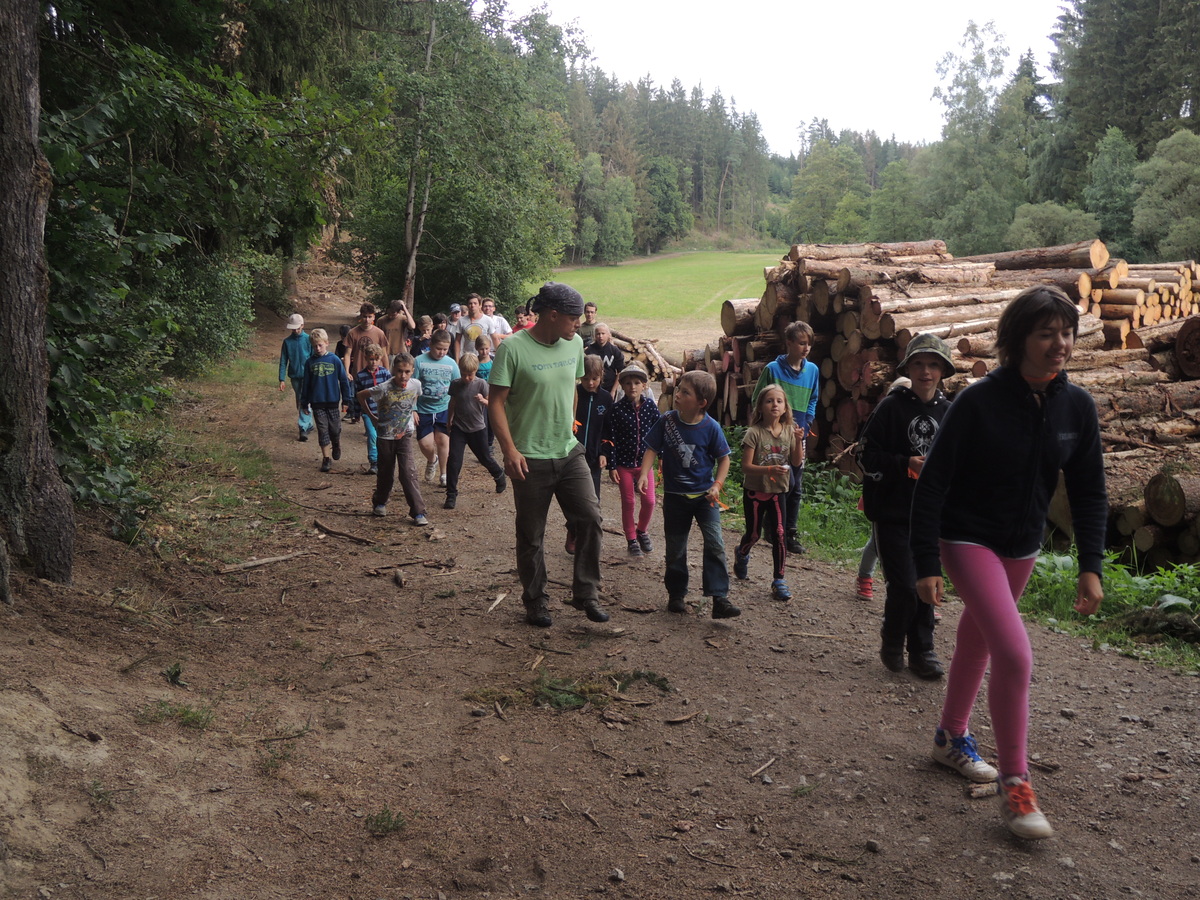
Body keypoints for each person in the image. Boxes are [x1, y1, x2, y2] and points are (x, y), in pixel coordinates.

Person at [912, 285, 1107, 841]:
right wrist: (926, 562)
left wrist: (1090, 565)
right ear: (1018, 338)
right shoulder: (978, 401)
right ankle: (1016, 785)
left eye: (1066, 333)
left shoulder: (1076, 406)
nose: (1059, 343)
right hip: (966, 538)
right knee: (1015, 655)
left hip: (1022, 546)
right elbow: (932, 484)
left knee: (978, 640)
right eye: (1046, 333)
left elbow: (1090, 492)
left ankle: (949, 737)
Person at [489, 282, 610, 628]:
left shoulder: (574, 344)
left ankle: (586, 592)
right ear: (553, 315)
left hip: (569, 451)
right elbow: (495, 403)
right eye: (573, 318)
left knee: (590, 518)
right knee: (532, 535)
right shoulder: (513, 348)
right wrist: (509, 450)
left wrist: (569, 423)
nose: (579, 325)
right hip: (528, 457)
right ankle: (536, 600)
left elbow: (573, 386)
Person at [858, 334, 955, 679]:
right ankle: (892, 638)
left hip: (931, 516)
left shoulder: (949, 412)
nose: (925, 371)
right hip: (892, 512)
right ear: (908, 368)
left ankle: (922, 650)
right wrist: (904, 464)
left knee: (927, 581)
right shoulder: (891, 407)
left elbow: (960, 461)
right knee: (903, 585)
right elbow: (866, 454)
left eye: (933, 365)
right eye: (919, 364)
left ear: (943, 370)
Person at [638, 370, 737, 619]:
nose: (678, 395)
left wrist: (717, 485)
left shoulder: (711, 427)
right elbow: (652, 448)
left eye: (685, 392)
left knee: (715, 544)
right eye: (679, 389)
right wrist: (643, 474)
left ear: (701, 402)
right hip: (675, 498)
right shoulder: (667, 421)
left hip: (705, 498)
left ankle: (719, 598)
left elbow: (724, 459)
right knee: (675, 547)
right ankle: (676, 594)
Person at [751, 320, 819, 555]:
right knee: (778, 481)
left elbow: (813, 399)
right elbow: (757, 398)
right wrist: (769, 425)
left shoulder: (812, 371)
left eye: (809, 344)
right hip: (775, 436)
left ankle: (790, 531)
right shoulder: (773, 369)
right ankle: (771, 525)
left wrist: (807, 421)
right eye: (801, 343)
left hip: (798, 435)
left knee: (795, 484)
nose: (806, 348)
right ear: (789, 343)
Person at [732, 384, 804, 602]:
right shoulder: (754, 433)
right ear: (760, 407)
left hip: (778, 491)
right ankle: (742, 553)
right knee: (754, 534)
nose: (775, 405)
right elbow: (746, 467)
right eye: (769, 401)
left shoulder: (789, 431)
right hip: (755, 491)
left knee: (780, 534)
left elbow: (796, 462)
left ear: (785, 408)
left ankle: (779, 580)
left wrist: (798, 441)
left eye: (779, 401)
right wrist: (770, 470)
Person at [357, 351, 429, 526]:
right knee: (386, 472)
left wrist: (413, 410)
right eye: (399, 371)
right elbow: (361, 396)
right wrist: (372, 417)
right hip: (385, 436)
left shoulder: (415, 384)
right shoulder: (384, 387)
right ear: (393, 370)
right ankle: (380, 502)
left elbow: (414, 396)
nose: (403, 376)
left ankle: (418, 512)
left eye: (407, 372)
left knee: (408, 473)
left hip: (405, 434)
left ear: (412, 371)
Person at [603, 363, 660, 558]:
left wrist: (662, 456)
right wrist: (612, 466)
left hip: (644, 465)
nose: (632, 387)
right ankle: (631, 539)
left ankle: (642, 531)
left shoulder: (650, 407)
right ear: (622, 386)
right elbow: (611, 438)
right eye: (628, 383)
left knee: (650, 501)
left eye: (637, 383)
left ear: (644, 385)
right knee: (628, 502)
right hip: (624, 465)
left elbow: (658, 433)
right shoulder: (616, 410)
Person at [444, 353, 506, 510]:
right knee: (454, 460)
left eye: (470, 375)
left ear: (475, 371)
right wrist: (449, 419)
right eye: (463, 374)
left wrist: (482, 400)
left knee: (484, 457)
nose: (466, 378)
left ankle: (498, 474)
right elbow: (453, 402)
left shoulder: (481, 384)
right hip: (459, 427)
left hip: (477, 428)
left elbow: (492, 403)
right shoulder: (455, 384)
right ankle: (451, 494)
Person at [566, 354, 613, 555]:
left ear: (601, 375)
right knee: (573, 498)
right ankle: (573, 530)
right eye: (586, 379)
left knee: (592, 500)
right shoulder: (573, 394)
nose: (590, 383)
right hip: (573, 455)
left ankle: (587, 539)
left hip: (594, 458)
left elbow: (608, 429)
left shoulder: (606, 399)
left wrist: (604, 452)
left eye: (594, 378)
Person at [299, 328, 352, 473]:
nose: (317, 348)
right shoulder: (310, 362)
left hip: (332, 401)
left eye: (320, 345)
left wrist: (346, 400)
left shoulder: (335, 360)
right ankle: (326, 458)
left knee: (335, 429)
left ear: (327, 343)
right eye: (315, 346)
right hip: (317, 403)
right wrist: (304, 402)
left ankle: (336, 443)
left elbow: (343, 380)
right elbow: (306, 384)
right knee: (322, 431)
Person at [412, 329, 460, 486]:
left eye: (445, 349)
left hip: (444, 408)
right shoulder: (419, 361)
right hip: (423, 409)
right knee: (425, 443)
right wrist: (413, 409)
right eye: (439, 348)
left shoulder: (451, 364)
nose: (442, 352)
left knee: (443, 441)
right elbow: (413, 386)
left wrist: (457, 409)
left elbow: (457, 386)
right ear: (430, 344)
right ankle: (432, 459)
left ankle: (444, 473)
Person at [353, 343, 392, 476]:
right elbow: (357, 395)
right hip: (368, 412)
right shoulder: (361, 376)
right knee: (372, 435)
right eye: (371, 359)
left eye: (376, 359)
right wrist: (356, 412)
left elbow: (391, 392)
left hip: (384, 412)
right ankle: (374, 461)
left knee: (384, 436)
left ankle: (384, 460)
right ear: (366, 358)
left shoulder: (385, 373)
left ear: (380, 359)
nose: (373, 362)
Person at [278, 313, 314, 442]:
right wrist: (281, 379)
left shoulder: (308, 340)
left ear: (302, 326)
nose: (295, 331)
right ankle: (308, 423)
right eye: (293, 329)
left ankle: (303, 427)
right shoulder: (287, 342)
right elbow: (283, 360)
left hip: (308, 375)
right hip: (294, 376)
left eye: (297, 328)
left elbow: (314, 357)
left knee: (305, 399)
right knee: (299, 399)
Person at [343, 302, 388, 386]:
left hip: (376, 374)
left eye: (369, 317)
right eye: (364, 316)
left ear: (374, 317)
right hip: (358, 373)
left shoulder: (379, 333)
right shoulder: (352, 333)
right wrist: (347, 371)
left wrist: (387, 371)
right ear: (360, 316)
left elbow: (384, 354)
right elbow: (347, 354)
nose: (367, 320)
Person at [585, 323, 624, 393]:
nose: (600, 336)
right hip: (593, 387)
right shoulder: (589, 350)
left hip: (610, 387)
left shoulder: (614, 350)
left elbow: (620, 372)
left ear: (608, 334)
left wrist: (613, 390)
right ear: (594, 335)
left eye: (603, 333)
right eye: (598, 334)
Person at [377, 299, 415, 367]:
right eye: (389, 313)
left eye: (393, 314)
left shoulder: (402, 319)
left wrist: (404, 308)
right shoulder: (381, 320)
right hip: (386, 353)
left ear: (397, 312)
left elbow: (412, 326)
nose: (390, 316)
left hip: (400, 352)